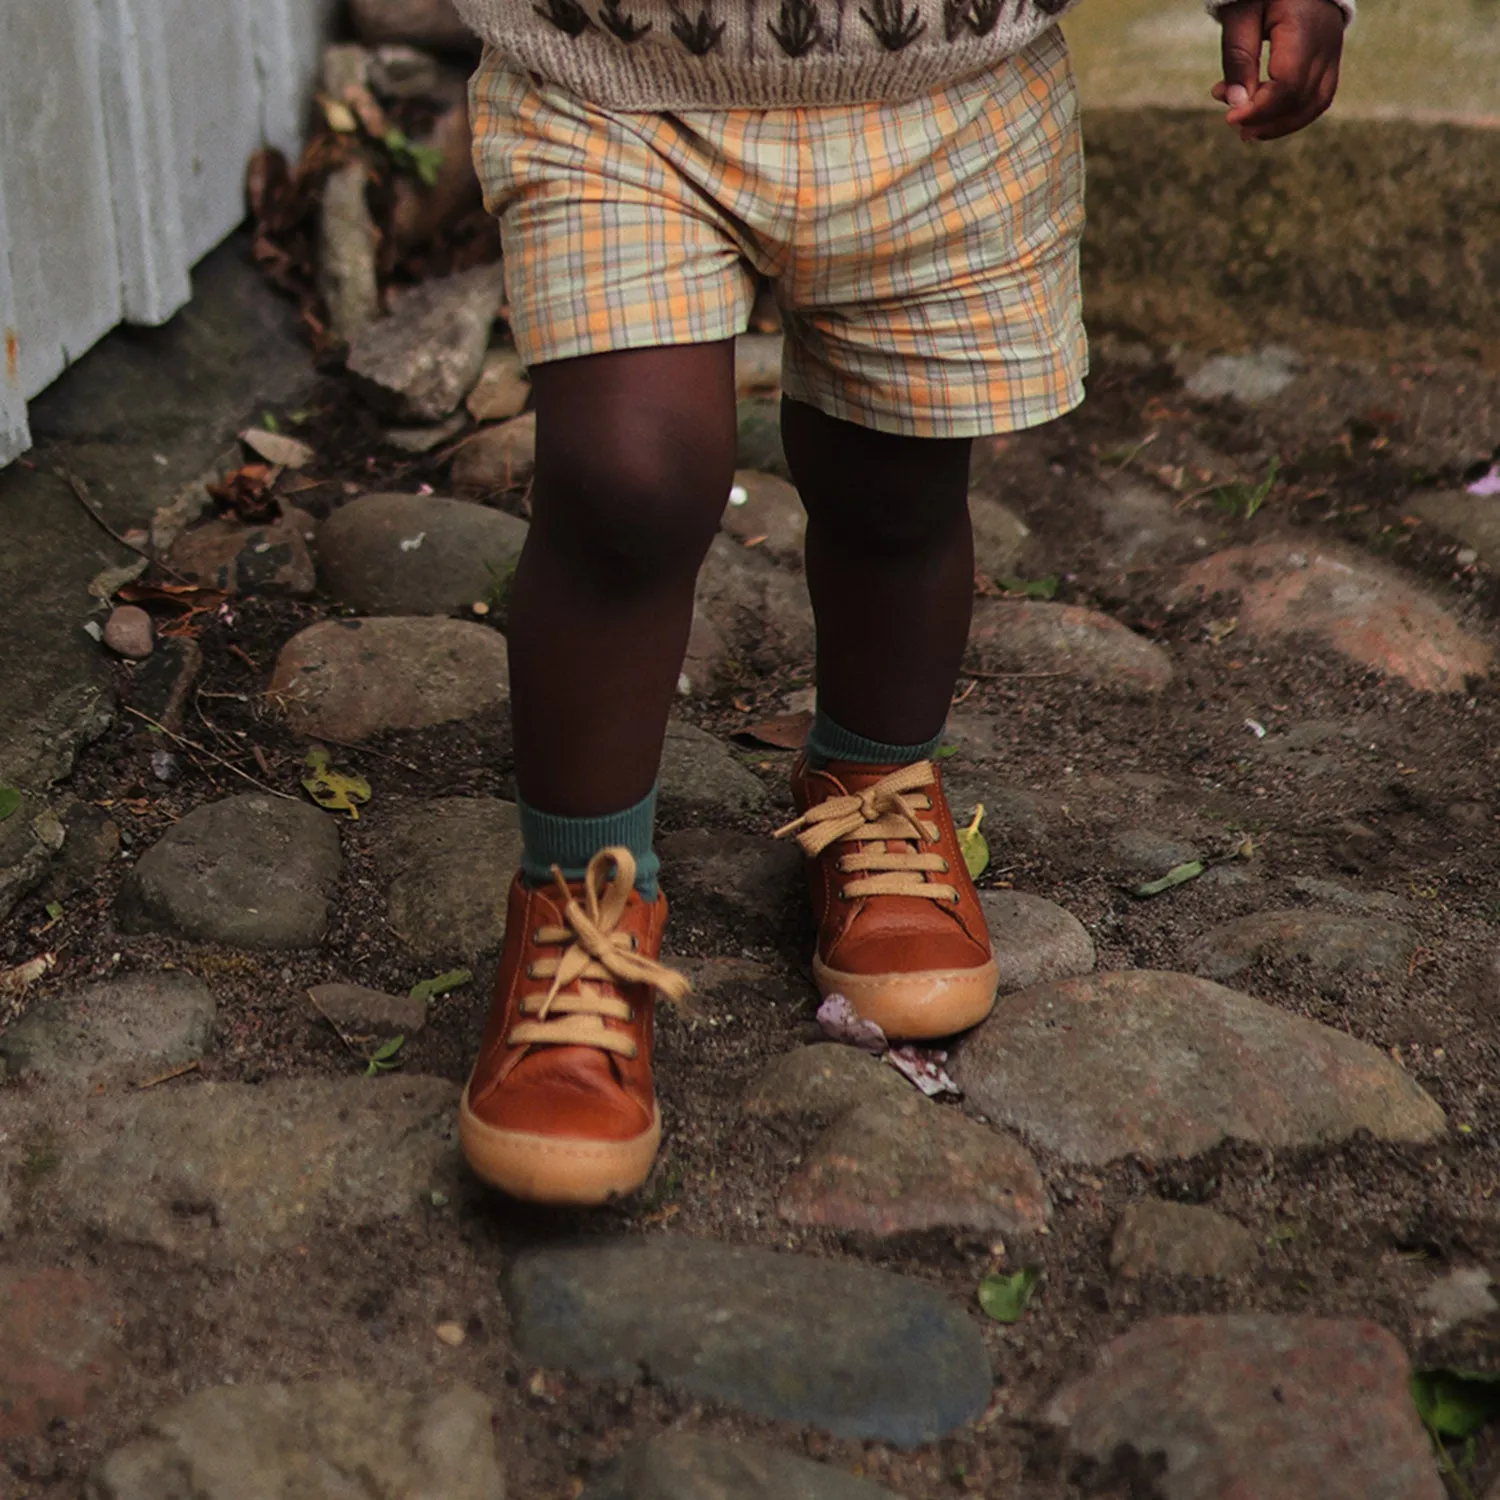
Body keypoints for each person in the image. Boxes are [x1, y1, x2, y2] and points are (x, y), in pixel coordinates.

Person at [448, 0, 1349, 1204]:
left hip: (946, 86)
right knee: (625, 484)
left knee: (900, 478)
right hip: (611, 79)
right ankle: (579, 902)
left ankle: (871, 784)